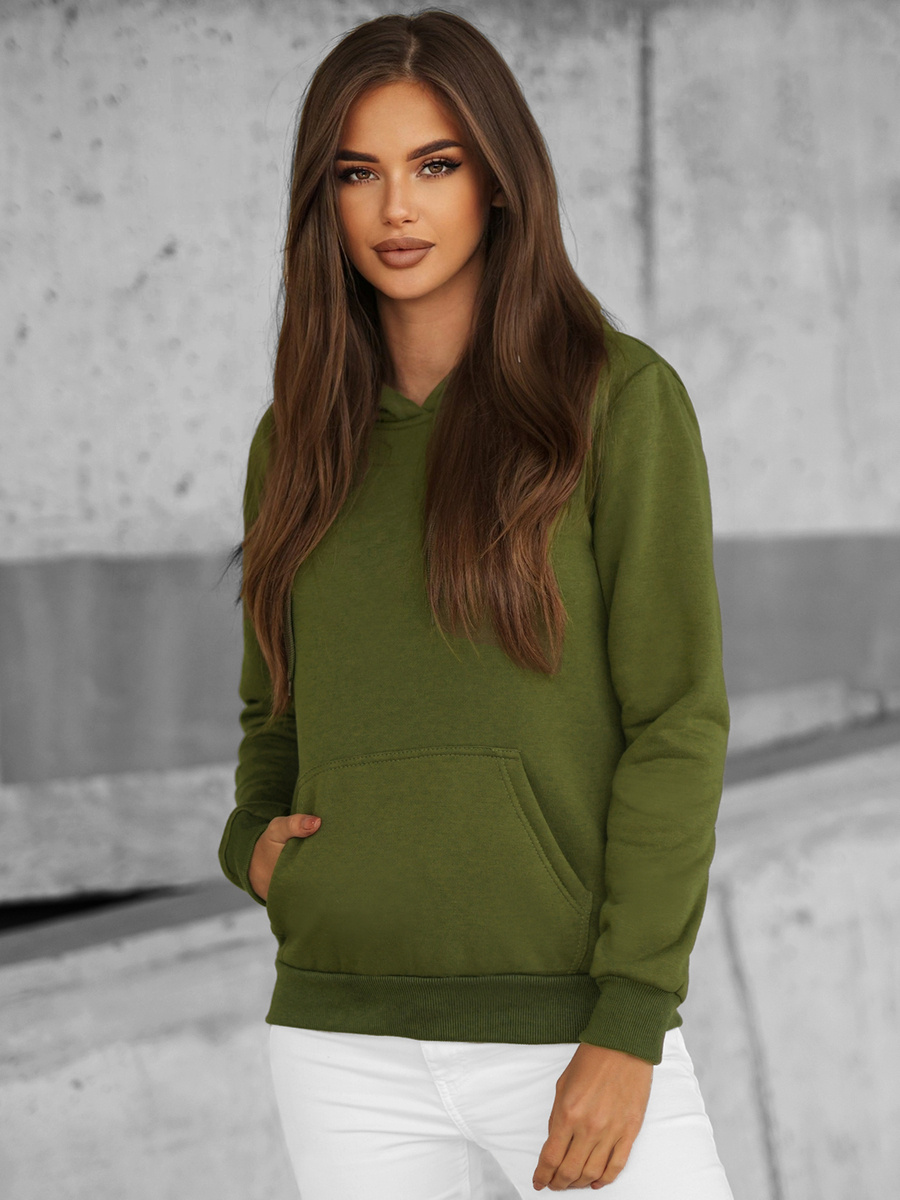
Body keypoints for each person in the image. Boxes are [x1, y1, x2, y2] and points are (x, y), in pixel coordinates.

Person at [217, 9, 735, 1198]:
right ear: (323, 200)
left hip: (570, 1028)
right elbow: (274, 709)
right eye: (358, 173)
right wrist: (252, 847)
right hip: (342, 1039)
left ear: (498, 180)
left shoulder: (616, 402)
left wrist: (631, 1017)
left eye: (435, 165)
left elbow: (676, 722)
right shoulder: (295, 442)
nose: (396, 209)